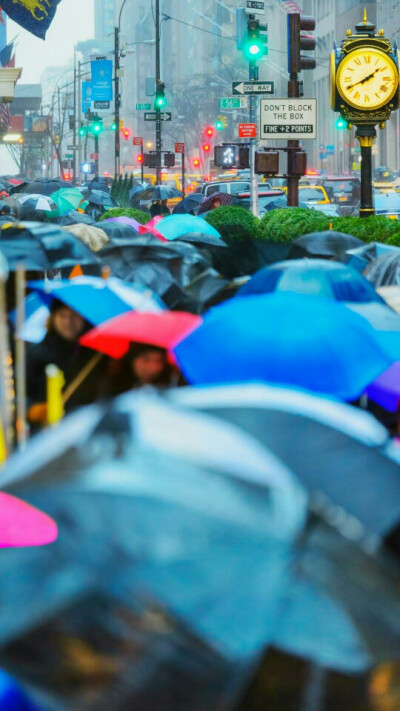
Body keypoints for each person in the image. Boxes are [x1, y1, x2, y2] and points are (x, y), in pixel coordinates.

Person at [26, 300, 106, 428]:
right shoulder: (35, 353)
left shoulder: (96, 356)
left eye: (74, 315)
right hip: (44, 431)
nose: (68, 322)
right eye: (62, 315)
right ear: (53, 318)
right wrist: (32, 410)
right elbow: (20, 392)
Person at [105, 342, 182, 396]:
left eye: (159, 361)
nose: (153, 368)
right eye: (146, 359)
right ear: (131, 360)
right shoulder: (111, 387)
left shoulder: (174, 387)